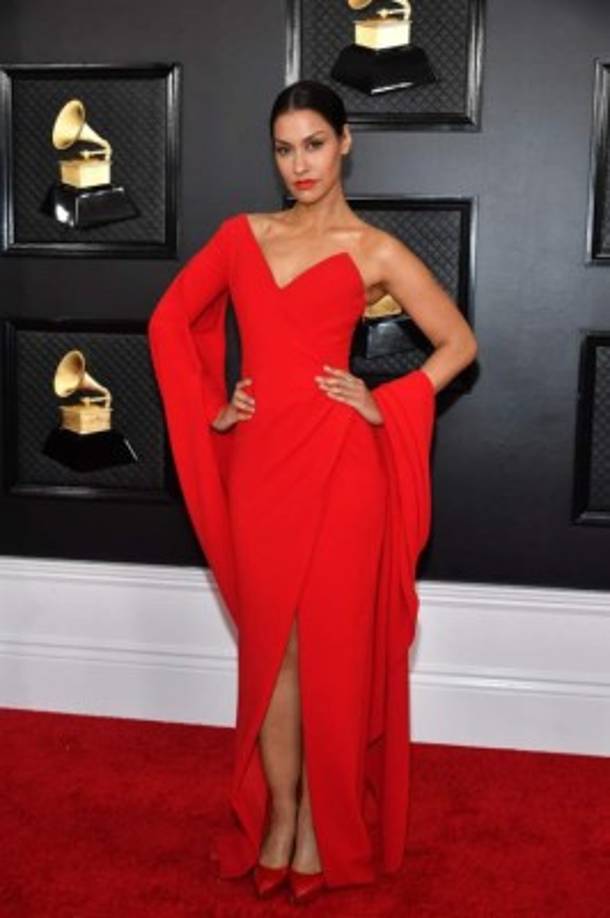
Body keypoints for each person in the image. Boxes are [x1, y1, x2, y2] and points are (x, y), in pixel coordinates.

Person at [148, 78, 477, 906]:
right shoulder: (240, 236)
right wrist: (216, 402)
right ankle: (281, 816)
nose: (299, 163)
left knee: (328, 650)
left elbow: (457, 344)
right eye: (284, 148)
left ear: (345, 142)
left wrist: (388, 398)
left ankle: (322, 828)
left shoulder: (375, 250)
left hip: (341, 468)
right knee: (276, 654)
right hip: (262, 463)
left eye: (315, 144)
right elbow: (168, 322)